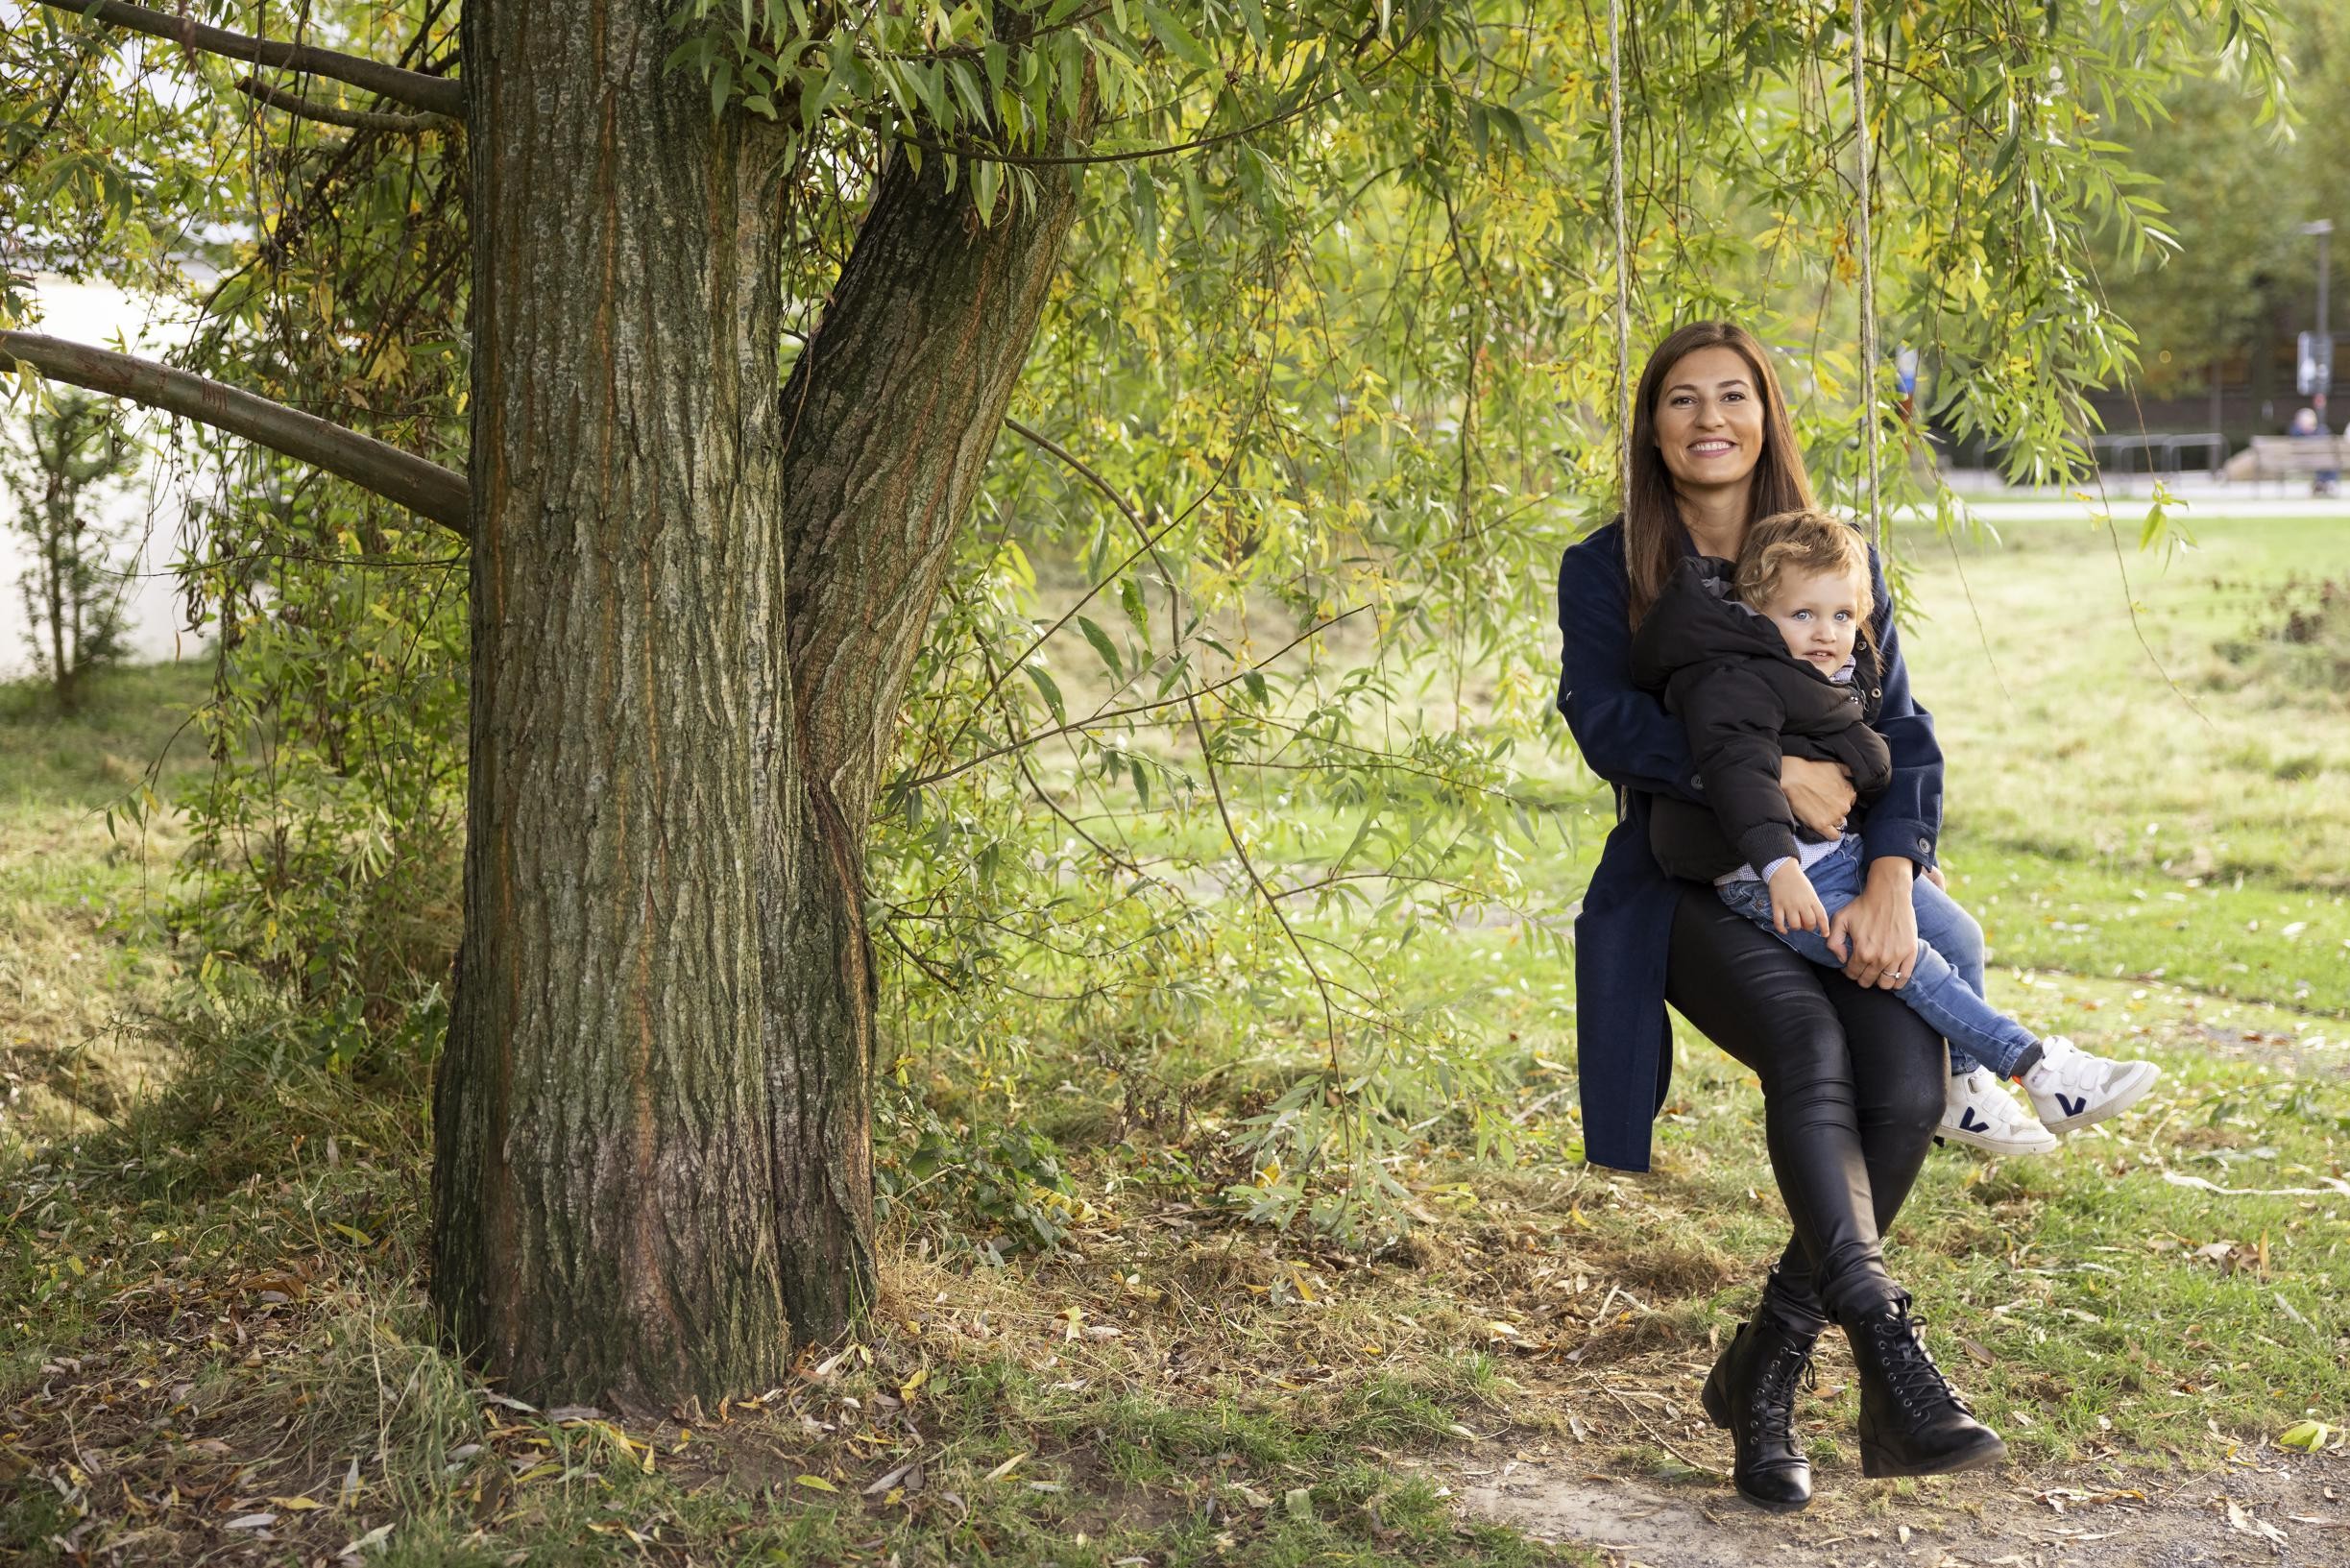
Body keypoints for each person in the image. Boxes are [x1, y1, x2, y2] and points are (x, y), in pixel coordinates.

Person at [1556, 320, 2001, 1514]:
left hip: (1851, 877)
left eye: (1733, 396)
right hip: (1690, 878)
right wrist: (1756, 781)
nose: (1709, 418)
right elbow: (1604, 722)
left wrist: (1898, 875)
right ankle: (1884, 1341)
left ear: (1765, 416)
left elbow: (1903, 736)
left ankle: (1763, 1368)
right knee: (1807, 1050)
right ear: (1653, 428)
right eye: (1681, 400)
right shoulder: (1608, 568)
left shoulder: (1834, 556)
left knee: (1903, 1087)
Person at [1630, 507, 2160, 1153]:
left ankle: (1963, 1093)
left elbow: (1875, 758)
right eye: (1802, 615)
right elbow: (1738, 775)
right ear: (1755, 611)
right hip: (1768, 874)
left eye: (1842, 616)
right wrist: (1778, 868)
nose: (1825, 633)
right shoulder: (1735, 677)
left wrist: (1902, 855)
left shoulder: (1828, 672)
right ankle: (2037, 1068)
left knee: (1957, 931)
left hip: (1836, 853)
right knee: (1910, 962)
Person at [2289, 406, 2338, 497]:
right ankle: (2323, 483)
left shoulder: (2321, 430)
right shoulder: (2296, 432)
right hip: (2304, 461)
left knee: (2329, 460)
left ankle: (2322, 483)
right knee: (2328, 461)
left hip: (2321, 460)